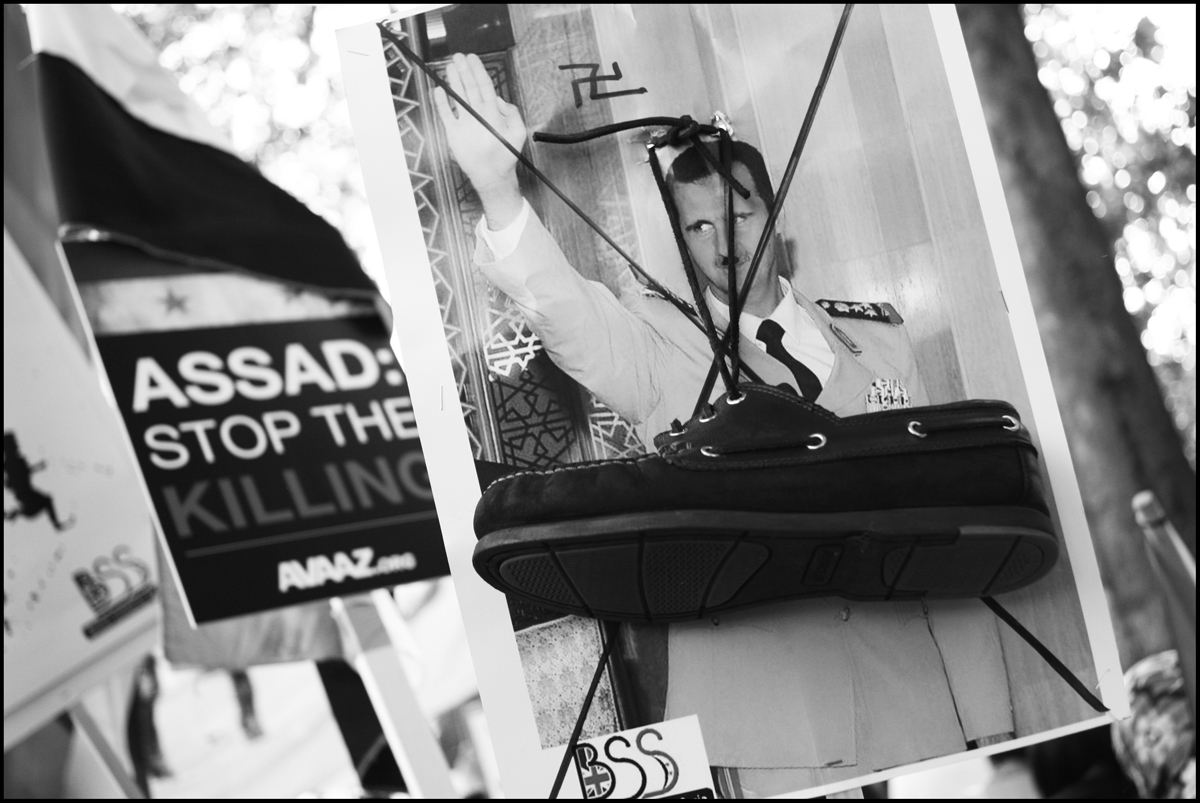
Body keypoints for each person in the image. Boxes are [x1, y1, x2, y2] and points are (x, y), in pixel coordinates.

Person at [435, 52, 1016, 793]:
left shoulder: (878, 340)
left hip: (915, 705)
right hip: (768, 725)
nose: (723, 244)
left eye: (739, 216)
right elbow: (569, 317)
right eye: (699, 226)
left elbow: (940, 533)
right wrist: (498, 188)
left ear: (775, 215)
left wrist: (989, 719)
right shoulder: (660, 345)